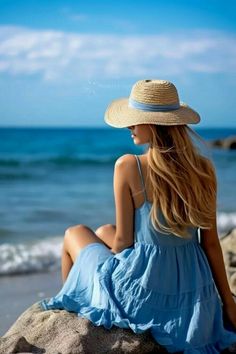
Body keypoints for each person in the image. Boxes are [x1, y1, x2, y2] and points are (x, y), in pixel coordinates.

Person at [40, 79, 236, 353]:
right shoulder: (203, 169)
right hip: (194, 296)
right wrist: (228, 305)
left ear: (154, 123)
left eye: (135, 120)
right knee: (104, 229)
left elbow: (122, 243)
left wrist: (109, 250)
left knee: (73, 233)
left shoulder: (129, 165)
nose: (129, 126)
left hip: (145, 297)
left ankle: (72, 305)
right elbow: (211, 244)